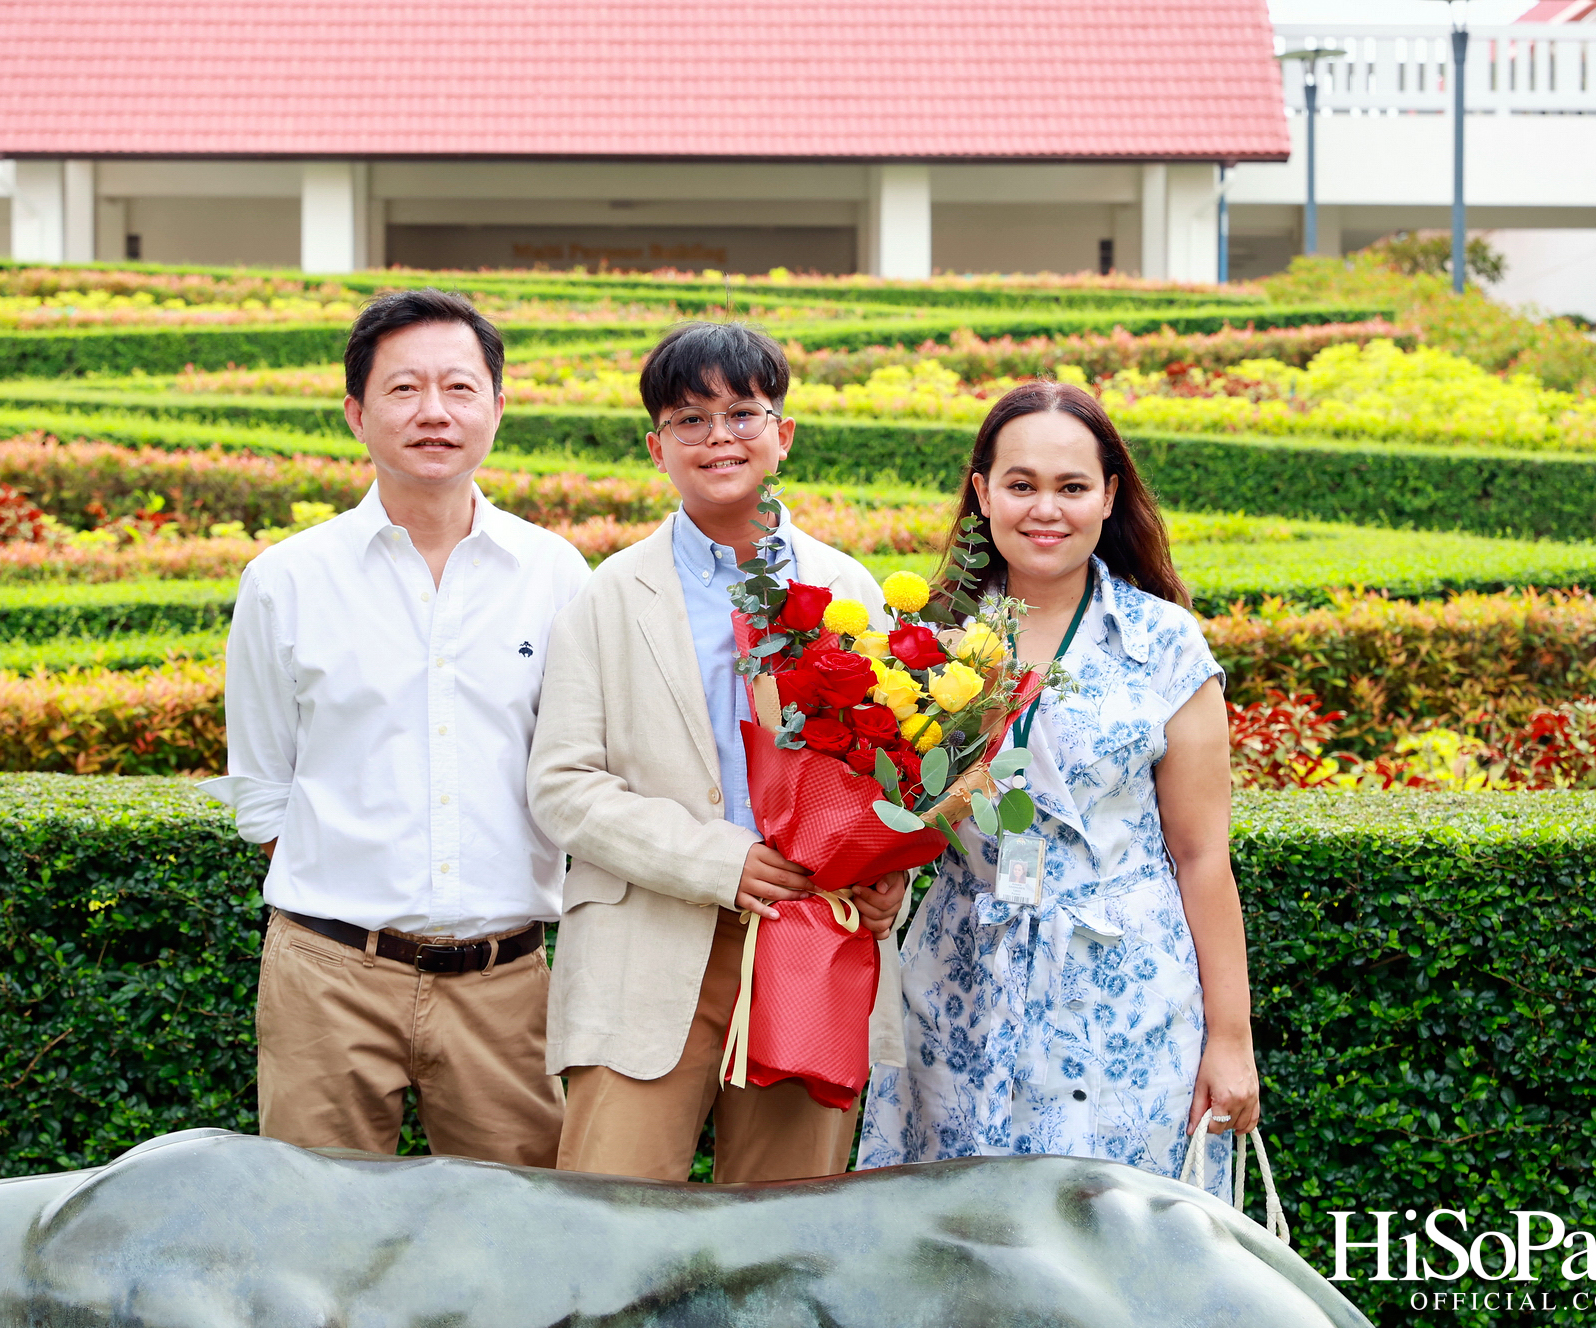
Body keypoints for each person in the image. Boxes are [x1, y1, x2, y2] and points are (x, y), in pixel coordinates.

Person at [201, 288, 590, 1166]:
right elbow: (263, 787)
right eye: (403, 390)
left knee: (514, 1248)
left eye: (459, 388)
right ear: (357, 413)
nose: (434, 413)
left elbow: (582, 763)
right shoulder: (287, 578)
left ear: (497, 405)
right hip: (329, 977)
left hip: (507, 982)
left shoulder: (554, 573)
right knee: (322, 1243)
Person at [527, 321, 908, 1184]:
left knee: (788, 1238)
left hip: (813, 942)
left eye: (743, 412)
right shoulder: (608, 595)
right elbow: (563, 788)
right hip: (647, 947)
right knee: (608, 1232)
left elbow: (893, 769)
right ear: (656, 446)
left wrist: (888, 869)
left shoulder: (851, 590)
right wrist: (718, 860)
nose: (719, 437)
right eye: (690, 420)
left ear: (784, 435)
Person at [858, 380, 1259, 1196]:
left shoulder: (1162, 644)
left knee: (1122, 1237)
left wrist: (1231, 1038)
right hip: (961, 979)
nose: (1046, 509)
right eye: (1021, 484)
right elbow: (896, 825)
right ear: (982, 492)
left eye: (1072, 487)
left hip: (1127, 993)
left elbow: (1200, 854)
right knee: (960, 1238)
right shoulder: (927, 646)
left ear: (1110, 496)